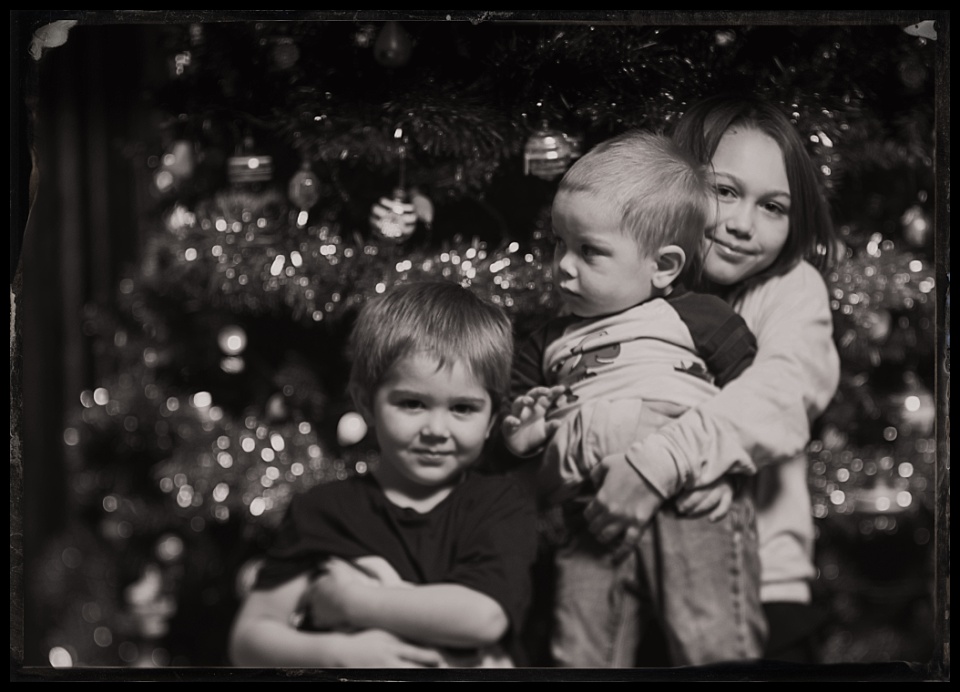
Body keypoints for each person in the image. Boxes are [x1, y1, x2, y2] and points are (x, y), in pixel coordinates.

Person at [584, 93, 842, 664]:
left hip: (756, 594)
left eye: (774, 207)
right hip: (619, 585)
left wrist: (660, 463)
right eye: (724, 191)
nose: (742, 225)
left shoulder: (790, 289)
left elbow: (780, 397)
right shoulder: (623, 280)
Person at [502, 129, 765, 668]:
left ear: (663, 266)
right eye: (559, 242)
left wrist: (731, 474)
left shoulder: (697, 318)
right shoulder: (546, 341)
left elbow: (757, 401)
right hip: (587, 508)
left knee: (711, 641)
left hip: (690, 494)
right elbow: (512, 417)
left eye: (589, 251)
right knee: (581, 652)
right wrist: (520, 435)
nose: (563, 266)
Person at [228, 280, 538, 668]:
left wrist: (350, 603)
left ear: (492, 417)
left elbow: (483, 618)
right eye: (412, 403)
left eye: (463, 408)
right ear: (367, 404)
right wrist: (339, 654)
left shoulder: (500, 505)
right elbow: (249, 640)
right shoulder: (324, 511)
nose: (437, 430)